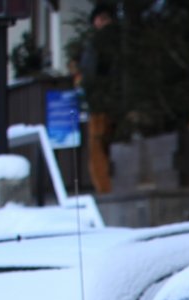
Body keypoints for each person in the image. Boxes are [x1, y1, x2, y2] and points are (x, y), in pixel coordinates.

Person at [76, 3, 118, 195]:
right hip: (117, 105)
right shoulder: (125, 40)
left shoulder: (96, 43)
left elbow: (89, 76)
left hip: (100, 106)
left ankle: (105, 191)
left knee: (98, 152)